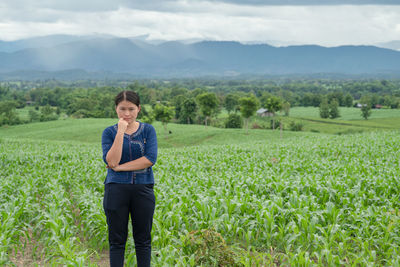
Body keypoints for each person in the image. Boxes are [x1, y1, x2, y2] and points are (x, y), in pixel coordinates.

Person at [101, 90, 157, 267]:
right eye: (122, 109)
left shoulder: (148, 130)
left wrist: (119, 168)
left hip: (143, 189)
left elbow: (149, 159)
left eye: (131, 109)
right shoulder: (109, 132)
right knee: (117, 241)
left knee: (143, 239)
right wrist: (120, 132)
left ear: (139, 109)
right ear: (116, 109)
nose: (126, 114)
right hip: (116, 189)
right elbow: (111, 160)